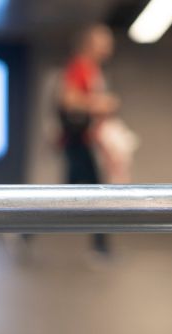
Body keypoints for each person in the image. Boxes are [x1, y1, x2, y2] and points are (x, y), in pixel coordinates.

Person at [58, 24, 120, 258]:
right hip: (79, 142)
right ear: (91, 44)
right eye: (104, 41)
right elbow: (69, 101)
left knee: (69, 192)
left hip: (88, 141)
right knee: (96, 192)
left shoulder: (94, 69)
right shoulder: (80, 67)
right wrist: (100, 104)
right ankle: (101, 247)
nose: (109, 47)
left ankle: (24, 232)